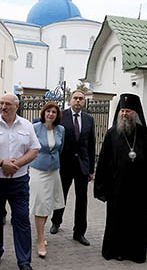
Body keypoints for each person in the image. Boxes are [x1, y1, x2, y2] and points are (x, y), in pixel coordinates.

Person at [0, 93, 40, 270]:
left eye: (8, 104)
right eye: (1, 103)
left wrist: (16, 164)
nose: (3, 107)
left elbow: (34, 150)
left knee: (21, 219)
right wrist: (2, 163)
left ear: (16, 107)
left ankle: (24, 261)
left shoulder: (26, 125)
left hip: (19, 182)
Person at [94, 93, 147, 263]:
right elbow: (104, 162)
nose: (124, 114)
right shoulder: (112, 133)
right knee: (117, 220)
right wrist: (101, 187)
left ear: (135, 113)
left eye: (128, 111)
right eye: (122, 110)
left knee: (136, 222)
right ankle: (116, 251)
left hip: (138, 189)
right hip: (117, 188)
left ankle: (134, 252)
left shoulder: (142, 133)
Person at [50, 90, 95, 246]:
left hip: (82, 165)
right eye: (75, 98)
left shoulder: (89, 119)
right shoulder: (61, 116)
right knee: (61, 195)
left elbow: (91, 145)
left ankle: (79, 232)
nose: (78, 101)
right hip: (64, 164)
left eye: (81, 99)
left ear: (84, 102)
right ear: (70, 100)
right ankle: (56, 221)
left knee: (82, 200)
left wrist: (91, 170)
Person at [29, 102, 65, 258]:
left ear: (57, 115)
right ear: (43, 113)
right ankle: (41, 239)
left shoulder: (60, 130)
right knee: (40, 204)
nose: (51, 114)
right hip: (38, 170)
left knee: (49, 203)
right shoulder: (35, 127)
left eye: (54, 112)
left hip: (54, 170)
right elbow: (30, 148)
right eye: (48, 111)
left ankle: (40, 233)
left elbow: (60, 149)